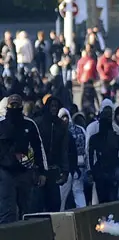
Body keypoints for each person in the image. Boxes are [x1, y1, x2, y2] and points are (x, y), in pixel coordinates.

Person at [0, 94, 48, 223]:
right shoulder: (1, 125)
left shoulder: (29, 124)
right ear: (8, 106)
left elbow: (38, 148)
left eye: (17, 104)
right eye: (12, 105)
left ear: (21, 106)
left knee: (27, 210)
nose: (15, 107)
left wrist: (42, 172)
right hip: (5, 173)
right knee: (7, 211)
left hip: (25, 171)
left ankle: (27, 239)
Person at [33, 95, 70, 213]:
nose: (54, 108)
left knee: (54, 204)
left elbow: (64, 150)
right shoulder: (38, 122)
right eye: (52, 106)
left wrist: (65, 171)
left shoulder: (61, 126)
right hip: (38, 168)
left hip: (53, 169)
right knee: (37, 204)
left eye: (56, 106)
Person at [87, 103, 119, 203]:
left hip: (113, 173)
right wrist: (91, 171)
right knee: (103, 201)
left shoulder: (118, 137)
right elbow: (90, 155)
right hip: (100, 173)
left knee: (112, 200)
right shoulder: (95, 138)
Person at [58, 108, 87, 209]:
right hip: (81, 164)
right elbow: (86, 147)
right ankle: (83, 213)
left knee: (62, 195)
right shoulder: (80, 129)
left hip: (68, 167)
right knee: (78, 192)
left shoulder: (60, 131)